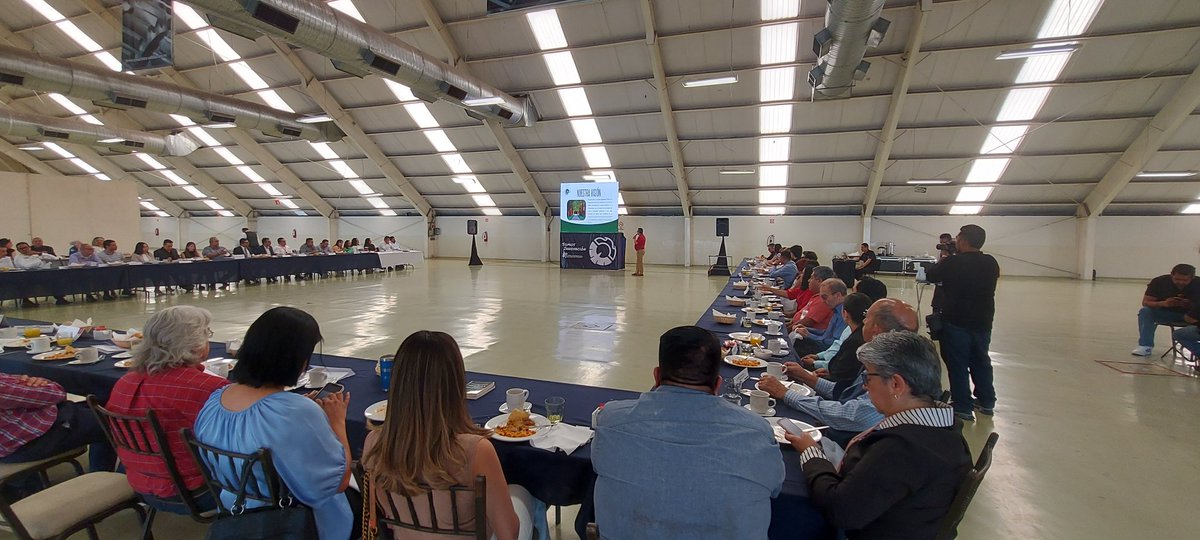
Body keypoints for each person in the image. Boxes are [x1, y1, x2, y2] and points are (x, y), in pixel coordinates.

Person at [592, 326, 783, 538]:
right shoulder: (758, 433)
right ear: (717, 384)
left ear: (656, 376)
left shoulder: (610, 420)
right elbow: (775, 488)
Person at [784, 331, 971, 539]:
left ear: (896, 384)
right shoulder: (945, 427)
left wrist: (811, 453)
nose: (865, 386)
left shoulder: (902, 449)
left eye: (868, 377)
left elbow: (840, 510)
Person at [193, 307, 355, 540]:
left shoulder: (215, 400)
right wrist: (337, 422)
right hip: (291, 519)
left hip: (234, 509)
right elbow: (338, 482)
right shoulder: (297, 412)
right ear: (297, 360)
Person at [362, 331, 538, 540]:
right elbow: (508, 533)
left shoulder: (374, 443)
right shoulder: (476, 450)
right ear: (455, 385)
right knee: (522, 494)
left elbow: (378, 517)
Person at [106, 306, 229, 510]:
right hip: (199, 493)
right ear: (196, 345)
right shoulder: (208, 388)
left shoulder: (124, 382)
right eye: (207, 333)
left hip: (140, 485)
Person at [759, 298, 919, 437]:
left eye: (866, 319)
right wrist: (805, 376)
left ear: (875, 329)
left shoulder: (891, 369)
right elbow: (845, 392)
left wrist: (786, 394)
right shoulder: (883, 356)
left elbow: (851, 414)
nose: (863, 322)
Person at [924, 224, 1000, 422]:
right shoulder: (991, 262)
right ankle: (986, 401)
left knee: (957, 363)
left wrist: (946, 257)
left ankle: (962, 406)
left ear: (963, 240)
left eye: (957, 239)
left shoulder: (953, 262)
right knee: (981, 360)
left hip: (956, 319)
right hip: (983, 320)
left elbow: (932, 275)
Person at [1, 372, 117, 498]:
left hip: (17, 436)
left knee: (101, 403)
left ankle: (101, 473)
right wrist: (38, 383)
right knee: (118, 423)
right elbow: (56, 394)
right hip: (34, 438)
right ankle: (112, 482)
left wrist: (26, 382)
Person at [800, 292, 873, 387]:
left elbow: (840, 374)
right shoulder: (855, 332)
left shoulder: (855, 341)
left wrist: (814, 369)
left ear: (845, 314)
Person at [1132, 264, 1198, 356]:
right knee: (1145, 311)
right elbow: (1146, 302)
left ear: (1192, 278)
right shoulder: (1159, 282)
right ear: (1172, 275)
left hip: (1193, 315)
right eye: (1177, 279)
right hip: (1166, 313)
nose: (1181, 282)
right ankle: (1145, 346)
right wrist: (1164, 303)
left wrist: (1190, 305)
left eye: (1185, 280)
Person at [793, 279, 849, 356]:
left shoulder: (844, 314)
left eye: (825, 297)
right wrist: (807, 330)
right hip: (824, 345)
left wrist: (809, 335)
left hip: (828, 351)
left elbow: (833, 343)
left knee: (796, 344)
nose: (822, 301)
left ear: (838, 295)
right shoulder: (837, 309)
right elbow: (827, 333)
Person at [788, 266, 836, 333]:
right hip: (797, 330)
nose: (808, 280)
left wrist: (786, 330)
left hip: (804, 334)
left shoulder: (823, 300)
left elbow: (807, 321)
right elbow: (802, 315)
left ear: (819, 281)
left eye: (811, 278)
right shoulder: (816, 297)